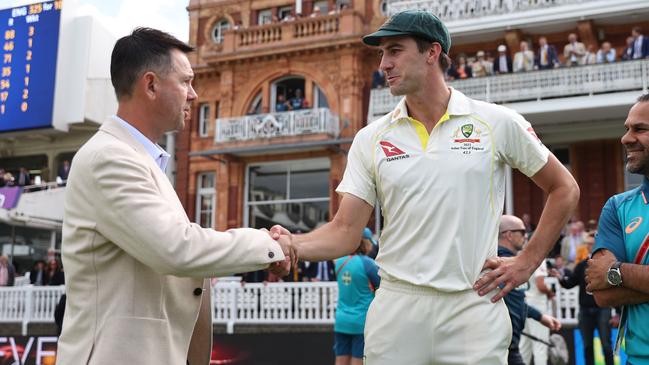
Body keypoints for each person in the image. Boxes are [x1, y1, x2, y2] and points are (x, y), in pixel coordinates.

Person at [272, 10, 579, 364]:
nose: (384, 64)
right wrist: (292, 245)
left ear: (432, 53)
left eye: (395, 50)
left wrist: (527, 261)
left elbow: (564, 188)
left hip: (473, 307)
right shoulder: (371, 137)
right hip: (398, 307)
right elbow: (344, 231)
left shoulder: (496, 122)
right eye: (382, 54)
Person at [56, 28, 293, 365]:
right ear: (150, 85)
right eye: (185, 82)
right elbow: (177, 249)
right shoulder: (109, 158)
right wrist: (266, 245)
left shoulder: (137, 158)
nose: (194, 95)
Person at [586, 93, 649, 365]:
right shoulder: (617, 207)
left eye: (640, 129)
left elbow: (607, 277)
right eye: (627, 129)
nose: (625, 138)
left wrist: (617, 272)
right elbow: (602, 292)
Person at [498, 215, 561, 365]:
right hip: (500, 346)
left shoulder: (513, 262)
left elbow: (515, 301)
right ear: (509, 235)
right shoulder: (501, 262)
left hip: (509, 344)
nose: (525, 236)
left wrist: (541, 317)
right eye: (522, 231)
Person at [551, 233, 614, 365]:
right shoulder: (581, 266)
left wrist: (618, 312)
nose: (590, 246)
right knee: (587, 347)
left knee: (607, 345)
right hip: (585, 310)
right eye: (588, 244)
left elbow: (615, 286)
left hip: (602, 308)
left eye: (592, 243)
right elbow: (570, 283)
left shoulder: (607, 264)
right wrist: (560, 277)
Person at [333, 238, 380, 365]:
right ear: (365, 243)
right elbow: (381, 284)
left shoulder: (338, 262)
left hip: (341, 320)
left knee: (340, 360)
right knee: (358, 361)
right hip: (361, 321)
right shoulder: (368, 264)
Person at [519, 258, 555, 365]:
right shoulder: (539, 259)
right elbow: (540, 285)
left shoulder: (522, 257)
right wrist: (550, 292)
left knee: (524, 347)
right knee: (540, 346)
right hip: (537, 306)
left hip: (524, 304)